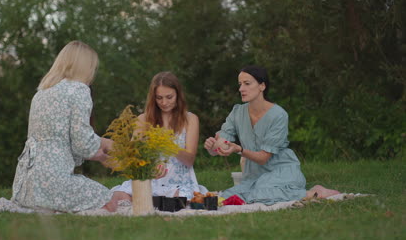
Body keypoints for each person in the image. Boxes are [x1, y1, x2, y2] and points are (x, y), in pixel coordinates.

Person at [204, 65, 339, 205]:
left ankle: (313, 192)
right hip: (254, 176)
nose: (241, 89)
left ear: (262, 86)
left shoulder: (278, 115)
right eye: (240, 84)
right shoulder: (237, 112)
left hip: (281, 171)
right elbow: (222, 144)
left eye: (247, 83)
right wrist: (213, 146)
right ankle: (276, 191)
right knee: (227, 197)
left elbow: (263, 158)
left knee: (260, 194)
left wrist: (239, 150)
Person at [11, 40, 119, 213]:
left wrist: (104, 142)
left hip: (26, 188)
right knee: (109, 200)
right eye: (93, 68)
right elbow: (82, 142)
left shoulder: (42, 92)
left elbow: (60, 135)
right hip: (52, 183)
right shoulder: (79, 90)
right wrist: (104, 158)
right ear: (85, 67)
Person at [111, 71, 208, 201]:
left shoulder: (190, 119)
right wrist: (148, 168)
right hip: (149, 180)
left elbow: (189, 160)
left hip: (178, 182)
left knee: (177, 201)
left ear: (178, 96)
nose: (164, 102)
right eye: (159, 98)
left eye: (169, 97)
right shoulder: (143, 119)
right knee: (117, 197)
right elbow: (133, 158)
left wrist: (168, 146)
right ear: (153, 98)